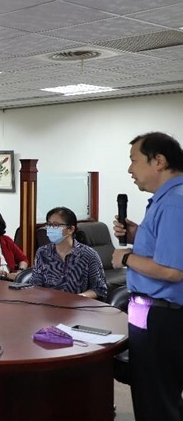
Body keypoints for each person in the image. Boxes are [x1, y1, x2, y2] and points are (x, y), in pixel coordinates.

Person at [110, 132, 183, 420]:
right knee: (149, 390)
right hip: (147, 311)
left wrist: (126, 257)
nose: (130, 170)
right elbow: (165, 248)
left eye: (134, 161)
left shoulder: (175, 203)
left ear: (159, 161)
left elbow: (173, 270)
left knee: (156, 399)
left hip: (163, 315)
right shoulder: (166, 200)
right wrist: (137, 234)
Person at [30, 207, 106, 300]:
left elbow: (100, 289)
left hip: (78, 307)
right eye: (49, 225)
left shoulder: (88, 254)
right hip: (48, 306)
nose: (50, 229)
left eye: (56, 225)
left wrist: (80, 297)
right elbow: (35, 285)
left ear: (70, 229)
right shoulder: (42, 252)